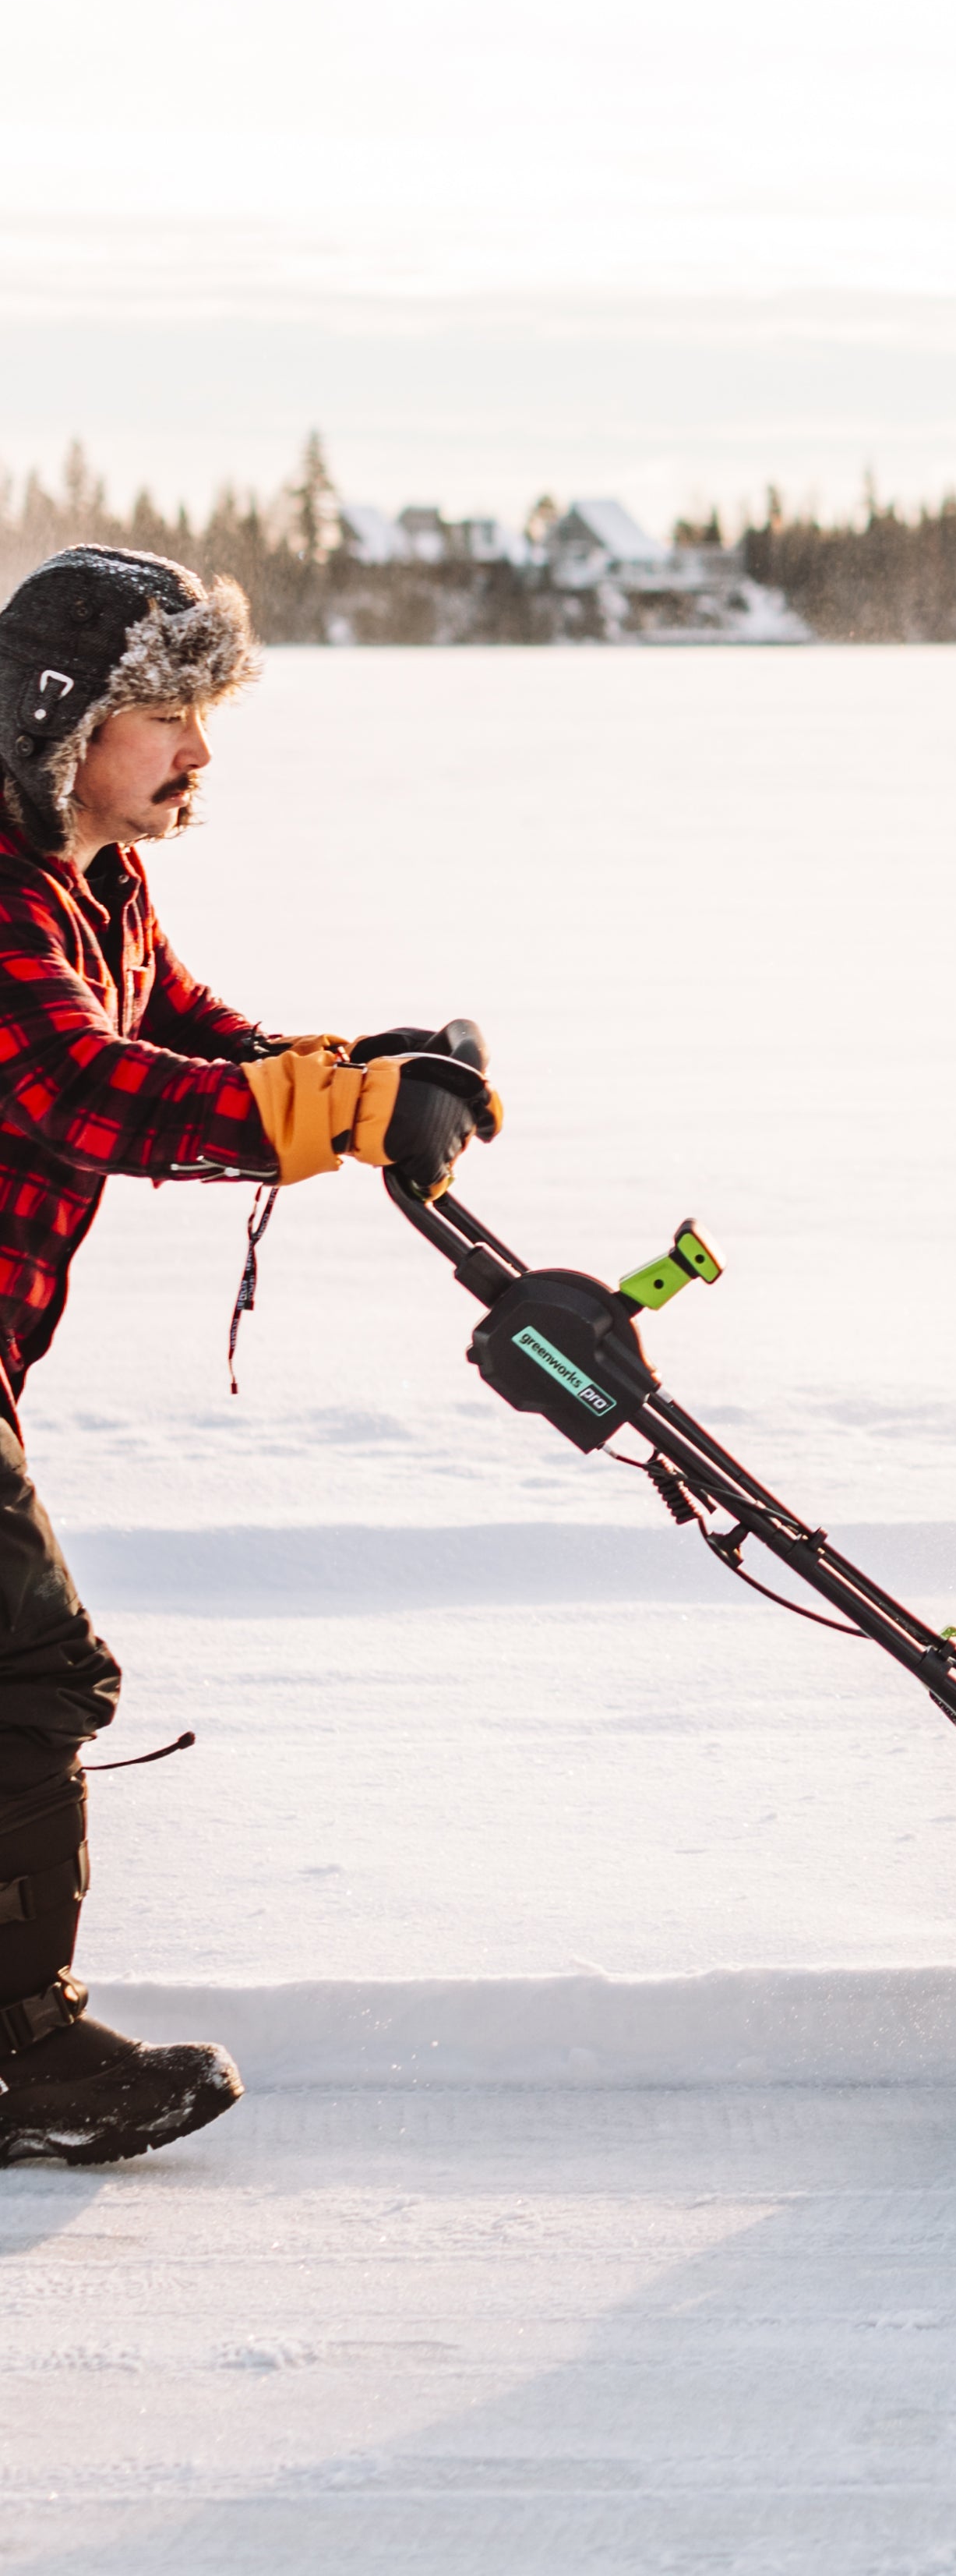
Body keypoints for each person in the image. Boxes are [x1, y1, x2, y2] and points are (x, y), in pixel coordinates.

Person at [0, 546, 499, 2169]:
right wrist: (330, 1112)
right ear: (63, 718)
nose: (199, 753)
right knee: (32, 1670)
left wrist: (365, 1064)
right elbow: (88, 1092)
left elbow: (187, 1038)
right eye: (169, 715)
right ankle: (22, 2058)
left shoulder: (95, 876)